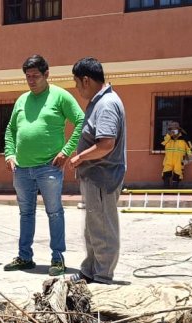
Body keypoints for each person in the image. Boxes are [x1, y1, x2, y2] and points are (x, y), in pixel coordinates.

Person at [3, 54, 84, 276]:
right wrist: (10, 153)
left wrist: (66, 151)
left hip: (49, 167)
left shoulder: (59, 96)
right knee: (25, 214)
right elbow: (10, 129)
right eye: (27, 76)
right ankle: (25, 257)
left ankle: (57, 259)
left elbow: (80, 121)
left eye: (35, 76)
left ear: (46, 74)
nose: (31, 80)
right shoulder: (21, 100)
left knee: (55, 212)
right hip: (22, 168)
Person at [68, 57, 127, 284]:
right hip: (94, 177)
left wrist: (79, 157)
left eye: (76, 82)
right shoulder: (98, 102)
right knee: (93, 228)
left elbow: (106, 144)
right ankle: (90, 271)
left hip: (103, 177)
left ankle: (102, 275)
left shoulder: (106, 105)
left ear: (85, 80)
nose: (76, 88)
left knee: (102, 229)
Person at [160, 121, 191, 188]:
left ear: (179, 130)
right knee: (166, 175)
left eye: (175, 129)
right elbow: (161, 145)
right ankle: (166, 192)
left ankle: (175, 193)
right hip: (168, 160)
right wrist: (169, 137)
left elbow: (190, 150)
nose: (173, 131)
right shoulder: (167, 138)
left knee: (177, 176)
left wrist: (187, 160)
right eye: (172, 129)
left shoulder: (184, 138)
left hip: (179, 161)